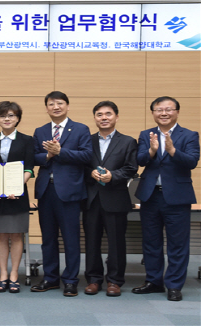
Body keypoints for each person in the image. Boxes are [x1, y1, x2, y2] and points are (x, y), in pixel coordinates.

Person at [132, 96, 199, 301]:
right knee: (151, 242)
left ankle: (174, 285)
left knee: (177, 244)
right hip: (150, 196)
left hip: (177, 197)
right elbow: (139, 160)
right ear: (153, 113)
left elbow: (192, 161)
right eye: (159, 109)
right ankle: (154, 281)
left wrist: (172, 150)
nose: (163, 113)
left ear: (177, 112)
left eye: (168, 109)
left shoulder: (189, 135)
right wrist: (152, 151)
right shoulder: (145, 134)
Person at [30, 91, 92, 297]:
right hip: (46, 191)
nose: (56, 107)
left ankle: (71, 280)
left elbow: (86, 155)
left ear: (67, 105)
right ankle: (50, 278)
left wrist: (60, 152)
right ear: (46, 108)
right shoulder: (40, 131)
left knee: (71, 238)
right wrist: (47, 155)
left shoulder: (81, 129)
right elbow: (34, 158)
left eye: (60, 103)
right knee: (48, 238)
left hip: (70, 191)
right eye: (51, 104)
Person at [83, 101, 137, 297]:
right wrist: (90, 173)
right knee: (91, 242)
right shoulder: (86, 141)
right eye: (99, 114)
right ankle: (93, 280)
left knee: (116, 242)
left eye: (108, 114)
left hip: (115, 198)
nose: (104, 117)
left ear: (116, 117)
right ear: (95, 118)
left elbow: (131, 168)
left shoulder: (128, 141)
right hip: (91, 199)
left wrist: (113, 176)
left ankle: (114, 281)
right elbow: (80, 166)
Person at [0, 101, 34, 293]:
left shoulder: (27, 140)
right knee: (2, 235)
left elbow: (29, 167)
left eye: (11, 115)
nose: (7, 119)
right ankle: (3, 274)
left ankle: (14, 274)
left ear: (18, 118)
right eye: (3, 115)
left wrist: (16, 186)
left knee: (17, 234)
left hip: (17, 194)